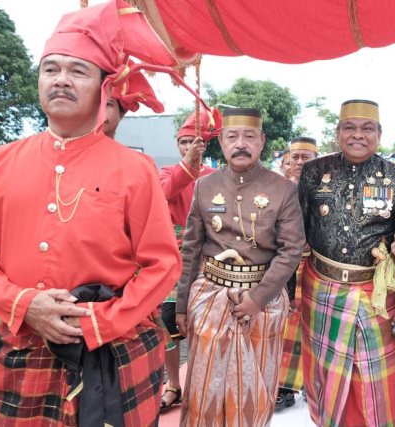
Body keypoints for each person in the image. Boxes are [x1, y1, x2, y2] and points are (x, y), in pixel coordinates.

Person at [0, 1, 182, 425]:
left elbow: (162, 265)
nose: (61, 80)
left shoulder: (135, 169)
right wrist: (24, 303)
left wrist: (100, 322)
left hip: (114, 345)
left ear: (104, 88)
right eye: (50, 69)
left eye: (77, 71)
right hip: (22, 342)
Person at [298, 99, 395, 427]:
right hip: (320, 290)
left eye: (367, 128)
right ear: (338, 132)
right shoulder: (314, 172)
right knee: (324, 374)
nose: (358, 135)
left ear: (379, 134)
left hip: (376, 296)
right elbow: (297, 235)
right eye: (349, 128)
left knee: (372, 378)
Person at [175, 107, 305, 426]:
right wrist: (181, 306)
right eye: (232, 137)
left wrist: (257, 299)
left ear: (262, 141)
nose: (241, 144)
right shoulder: (204, 186)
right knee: (204, 389)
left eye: (249, 136)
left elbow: (291, 250)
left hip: (264, 303)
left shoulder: (283, 189)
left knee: (255, 391)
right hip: (210, 298)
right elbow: (190, 247)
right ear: (221, 143)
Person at [158, 107, 222, 411]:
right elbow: (165, 194)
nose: (188, 147)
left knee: (204, 323)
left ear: (204, 145)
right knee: (167, 323)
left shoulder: (215, 177)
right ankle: (174, 383)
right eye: (183, 143)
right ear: (178, 146)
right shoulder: (167, 173)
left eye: (193, 143)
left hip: (208, 260)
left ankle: (202, 382)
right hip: (173, 260)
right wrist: (187, 163)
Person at [276, 136, 319, 410]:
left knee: (315, 328)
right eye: (295, 157)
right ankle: (284, 386)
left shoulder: (326, 190)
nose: (300, 162)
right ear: (288, 161)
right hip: (283, 269)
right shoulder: (276, 191)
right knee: (285, 327)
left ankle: (314, 384)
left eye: (307, 157)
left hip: (316, 268)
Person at [103, 63, 165, 139]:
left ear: (121, 114)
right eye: (94, 103)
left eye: (108, 104)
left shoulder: (126, 151)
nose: (100, 110)